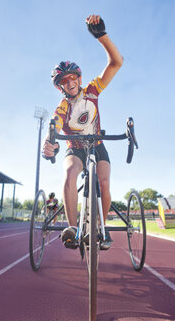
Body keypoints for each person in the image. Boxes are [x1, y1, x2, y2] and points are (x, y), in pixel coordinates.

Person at [42, 14, 123, 250]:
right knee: (68, 174)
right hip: (75, 150)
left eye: (72, 77)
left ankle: (101, 229)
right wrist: (49, 143)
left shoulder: (92, 90)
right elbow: (54, 128)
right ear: (60, 87)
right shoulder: (62, 107)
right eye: (63, 81)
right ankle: (72, 227)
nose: (69, 82)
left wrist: (102, 36)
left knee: (105, 183)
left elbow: (116, 63)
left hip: (97, 145)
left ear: (79, 78)